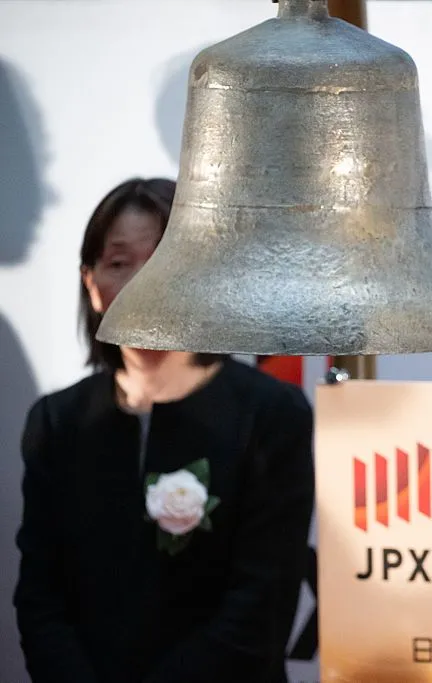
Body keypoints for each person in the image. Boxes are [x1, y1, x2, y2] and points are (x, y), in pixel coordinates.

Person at [13, 178, 315, 683]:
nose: (140, 285)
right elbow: (40, 601)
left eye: (161, 260)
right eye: (118, 263)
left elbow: (260, 608)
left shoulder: (270, 413)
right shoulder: (57, 421)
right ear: (91, 285)